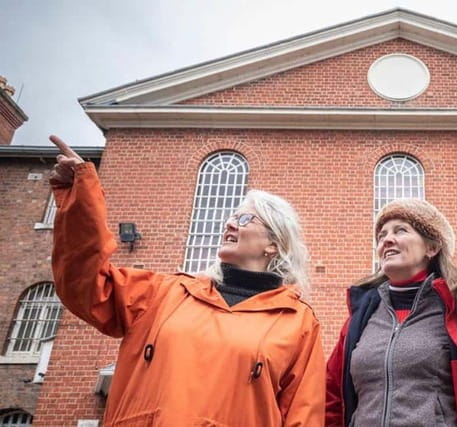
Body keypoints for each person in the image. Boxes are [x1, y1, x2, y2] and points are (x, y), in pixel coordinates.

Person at [48, 135, 324, 426]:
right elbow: (84, 284)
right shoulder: (163, 294)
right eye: (232, 217)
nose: (230, 223)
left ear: (274, 244)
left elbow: (303, 416)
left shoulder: (297, 323)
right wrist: (80, 199)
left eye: (245, 220)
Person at [325, 198, 457, 427]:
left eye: (401, 230)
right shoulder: (360, 318)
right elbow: (331, 395)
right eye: (381, 236)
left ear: (432, 247)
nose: (387, 240)